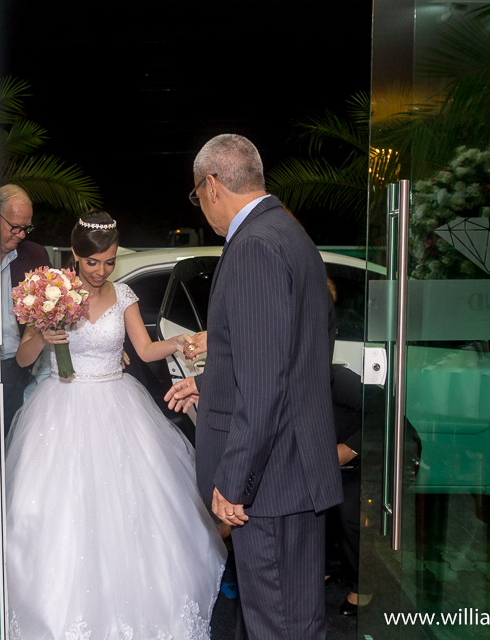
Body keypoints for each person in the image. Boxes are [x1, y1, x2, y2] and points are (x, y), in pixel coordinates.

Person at [0, 209, 227, 640]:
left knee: (133, 514)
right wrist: (42, 336)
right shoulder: (51, 292)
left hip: (117, 406)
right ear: (75, 254)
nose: (101, 270)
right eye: (93, 262)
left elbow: (145, 351)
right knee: (50, 515)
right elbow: (22, 359)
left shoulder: (124, 295)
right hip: (60, 410)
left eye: (109, 261)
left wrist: (181, 342)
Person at [166, 134, 343, 639]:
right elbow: (282, 359)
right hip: (295, 473)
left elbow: (265, 384)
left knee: (277, 625)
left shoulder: (254, 247)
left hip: (269, 484)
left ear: (212, 185)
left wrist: (234, 480)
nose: (202, 208)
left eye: (198, 196)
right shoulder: (288, 233)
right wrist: (210, 384)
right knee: (296, 620)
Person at [0, 184, 51, 431]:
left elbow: (48, 314)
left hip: (17, 368)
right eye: (15, 226)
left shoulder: (35, 255)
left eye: (26, 227)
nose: (21, 235)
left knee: (12, 443)